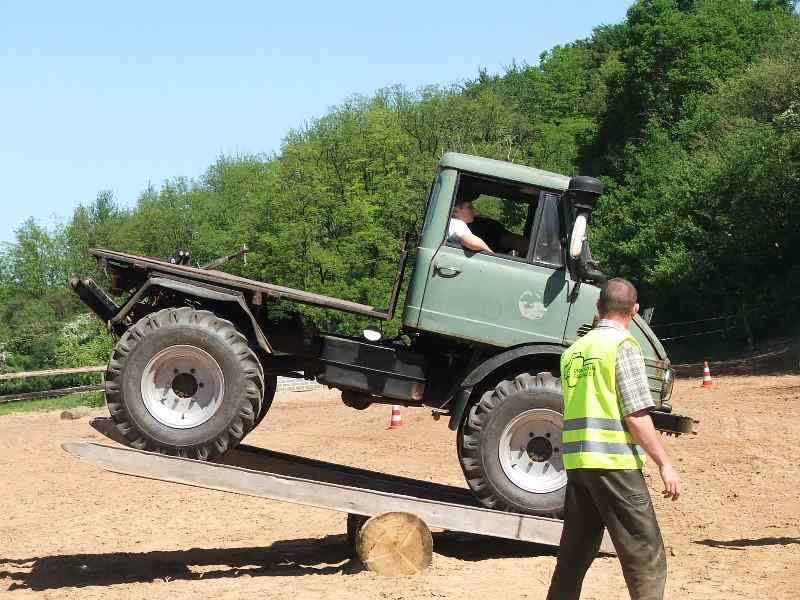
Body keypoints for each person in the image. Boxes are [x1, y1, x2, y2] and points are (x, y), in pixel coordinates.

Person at [546, 277, 681, 600]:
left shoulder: (573, 352)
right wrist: (664, 463)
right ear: (634, 311)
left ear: (598, 307)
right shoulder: (623, 347)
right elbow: (635, 415)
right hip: (614, 464)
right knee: (646, 555)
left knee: (574, 555)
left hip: (579, 465)